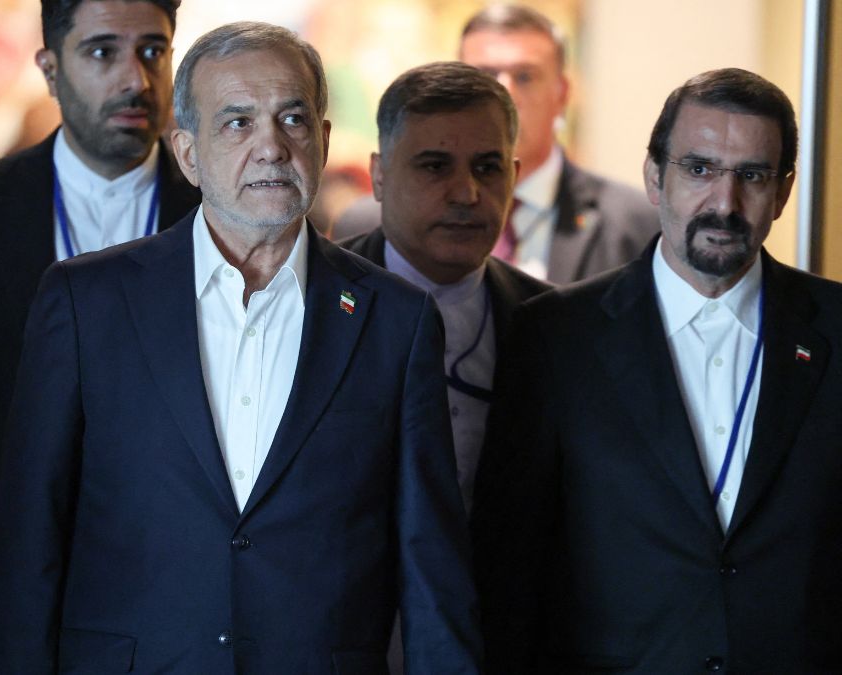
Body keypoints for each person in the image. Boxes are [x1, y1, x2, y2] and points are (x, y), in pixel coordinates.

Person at [0, 21, 480, 674]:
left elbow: (430, 565)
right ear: (187, 153)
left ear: (324, 141)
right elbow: (28, 546)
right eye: (238, 122)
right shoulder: (85, 302)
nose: (272, 147)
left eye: (293, 119)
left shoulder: (396, 319)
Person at [473, 68, 841, 673]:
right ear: (654, 177)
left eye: (752, 176)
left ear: (782, 192)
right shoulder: (554, 337)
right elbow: (510, 565)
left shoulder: (836, 330)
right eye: (699, 169)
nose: (725, 203)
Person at [0, 0, 201, 582]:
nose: (135, 79)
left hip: (176, 577)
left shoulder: (220, 216)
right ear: (50, 69)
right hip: (4, 570)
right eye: (102, 52)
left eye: (152, 52)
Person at [342, 61, 550, 515]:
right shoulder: (311, 301)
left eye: (488, 167)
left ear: (514, 175)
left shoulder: (553, 325)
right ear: (379, 175)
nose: (466, 193)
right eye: (435, 166)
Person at [459, 3, 658, 282]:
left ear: (562, 94)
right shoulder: (389, 223)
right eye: (485, 76)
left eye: (525, 76)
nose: (503, 96)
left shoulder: (640, 226)